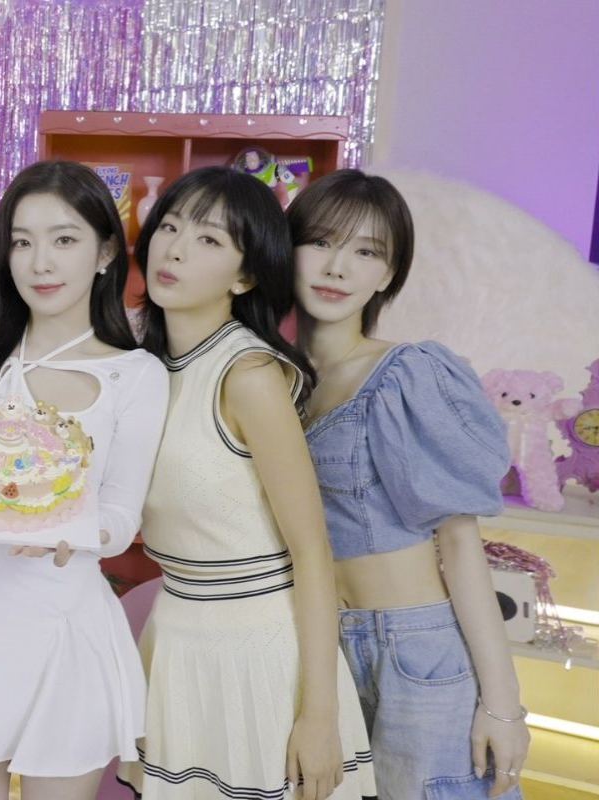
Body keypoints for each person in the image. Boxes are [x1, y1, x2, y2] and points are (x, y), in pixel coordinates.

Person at [0, 160, 169, 800]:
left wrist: (71, 531)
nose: (41, 262)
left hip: (63, 626)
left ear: (105, 252)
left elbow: (123, 512)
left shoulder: (136, 374)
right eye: (23, 241)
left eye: (64, 239)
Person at [119, 166, 375, 800]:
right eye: (169, 227)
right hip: (177, 636)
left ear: (245, 276)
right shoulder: (144, 369)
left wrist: (319, 716)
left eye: (209, 239)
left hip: (260, 651)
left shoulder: (249, 374)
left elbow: (312, 551)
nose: (175, 249)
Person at [289, 168, 528, 798]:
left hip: (417, 649)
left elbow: (459, 544)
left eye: (367, 252)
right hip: (315, 648)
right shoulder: (274, 379)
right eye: (320, 241)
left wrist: (504, 705)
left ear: (388, 275)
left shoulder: (407, 374)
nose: (337, 267)